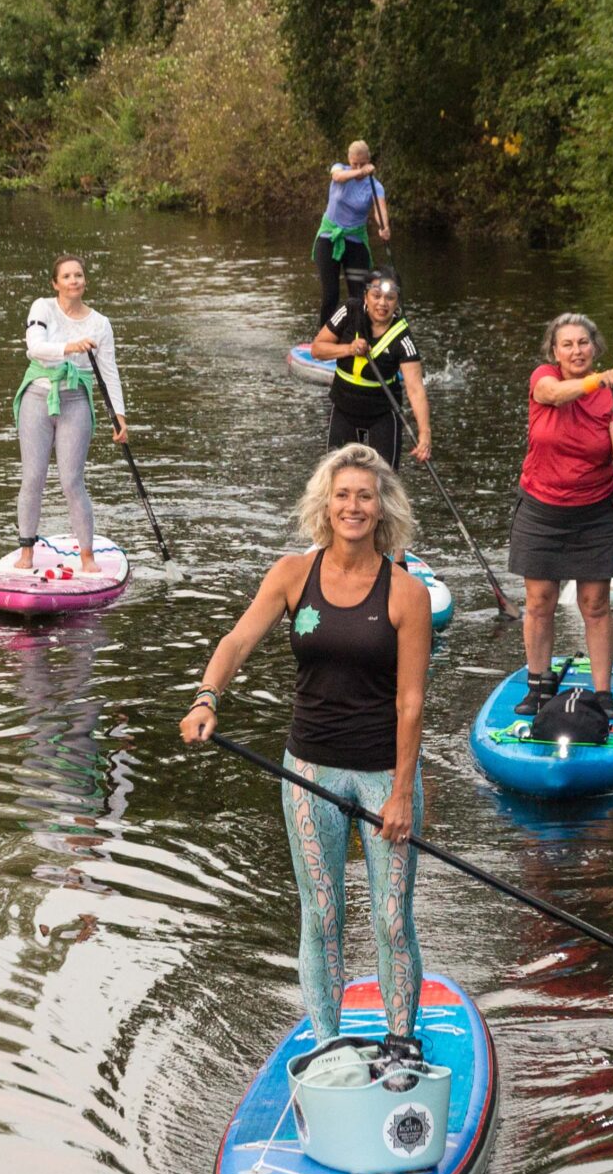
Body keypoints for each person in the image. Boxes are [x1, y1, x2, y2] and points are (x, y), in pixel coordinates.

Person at [181, 444, 432, 1050]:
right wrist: (207, 696)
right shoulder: (293, 575)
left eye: (365, 496)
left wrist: (401, 793)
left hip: (383, 774)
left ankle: (401, 1043)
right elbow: (237, 641)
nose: (353, 506)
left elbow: (411, 703)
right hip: (310, 771)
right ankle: (327, 1045)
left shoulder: (407, 594)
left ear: (382, 508)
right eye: (342, 495)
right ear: (326, 504)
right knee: (321, 915)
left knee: (391, 920)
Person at [508, 313, 613, 716]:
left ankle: (603, 694)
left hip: (594, 511)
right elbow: (552, 394)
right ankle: (538, 686)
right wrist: (596, 381)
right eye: (567, 344)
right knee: (540, 601)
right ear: (555, 352)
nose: (576, 350)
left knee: (595, 603)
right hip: (541, 510)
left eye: (583, 343)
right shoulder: (544, 378)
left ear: (594, 348)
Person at [16, 255, 128, 574]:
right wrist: (70, 346)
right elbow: (35, 347)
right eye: (66, 276)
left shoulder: (100, 324)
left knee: (71, 481)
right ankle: (26, 552)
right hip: (37, 398)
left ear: (85, 281)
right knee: (33, 477)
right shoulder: (42, 308)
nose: (73, 280)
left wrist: (119, 416)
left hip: (76, 399)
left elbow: (108, 371)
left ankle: (87, 557)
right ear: (56, 283)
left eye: (78, 275)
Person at [308, 267, 432, 469]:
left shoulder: (403, 338)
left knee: (384, 481)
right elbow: (317, 349)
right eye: (376, 296)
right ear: (365, 296)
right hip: (344, 409)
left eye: (390, 298)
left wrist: (424, 434)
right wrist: (348, 349)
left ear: (397, 302)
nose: (382, 303)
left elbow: (416, 389)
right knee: (337, 475)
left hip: (382, 415)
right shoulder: (349, 311)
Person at [313, 141, 391, 325]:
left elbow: (380, 210)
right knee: (331, 294)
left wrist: (384, 226)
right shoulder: (339, 169)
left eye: (362, 163)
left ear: (369, 161)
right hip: (329, 238)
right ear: (349, 160)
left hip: (356, 241)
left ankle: (357, 333)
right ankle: (323, 335)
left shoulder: (375, 186)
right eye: (355, 163)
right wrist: (360, 172)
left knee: (358, 296)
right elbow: (338, 177)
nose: (358, 167)